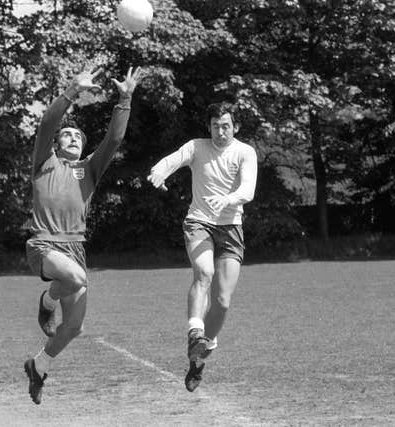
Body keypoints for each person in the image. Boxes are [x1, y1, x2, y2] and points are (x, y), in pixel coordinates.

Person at [23, 66, 142, 405]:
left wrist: (125, 98)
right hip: (43, 243)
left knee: (74, 326)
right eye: (67, 135)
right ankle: (47, 303)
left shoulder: (88, 168)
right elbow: (47, 123)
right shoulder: (44, 162)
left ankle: (39, 365)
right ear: (57, 145)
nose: (73, 138)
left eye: (78, 136)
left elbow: (114, 140)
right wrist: (72, 90)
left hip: (76, 247)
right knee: (75, 278)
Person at [147, 102, 258, 392]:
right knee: (203, 273)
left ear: (236, 127)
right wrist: (159, 171)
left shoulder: (245, 152)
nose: (220, 131)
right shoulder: (197, 146)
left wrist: (230, 199)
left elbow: (248, 189)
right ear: (208, 126)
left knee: (222, 301)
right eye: (215, 125)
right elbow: (172, 160)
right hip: (199, 222)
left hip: (231, 228)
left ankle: (198, 360)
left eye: (225, 125)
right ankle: (195, 330)